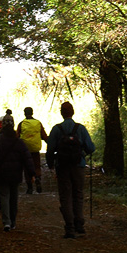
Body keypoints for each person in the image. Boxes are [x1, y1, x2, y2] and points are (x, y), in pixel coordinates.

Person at [46, 101, 95, 239]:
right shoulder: (80, 128)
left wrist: (51, 165)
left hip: (62, 167)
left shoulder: (56, 129)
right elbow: (91, 148)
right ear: (72, 112)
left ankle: (70, 228)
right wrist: (82, 153)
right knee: (78, 194)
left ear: (61, 113)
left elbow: (50, 150)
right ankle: (79, 225)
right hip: (78, 166)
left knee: (65, 196)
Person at [0, 118, 36, 232]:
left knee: (4, 196)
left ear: (3, 126)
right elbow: (27, 158)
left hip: (1, 173)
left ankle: (6, 222)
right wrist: (32, 174)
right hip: (16, 173)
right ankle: (13, 221)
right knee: (14, 197)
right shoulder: (19, 141)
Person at [17, 107, 48, 194]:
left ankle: (29, 187)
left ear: (24, 113)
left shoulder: (21, 124)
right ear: (32, 113)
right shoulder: (38, 123)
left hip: (25, 150)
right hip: (35, 149)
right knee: (37, 166)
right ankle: (37, 178)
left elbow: (17, 137)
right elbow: (44, 136)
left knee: (26, 167)